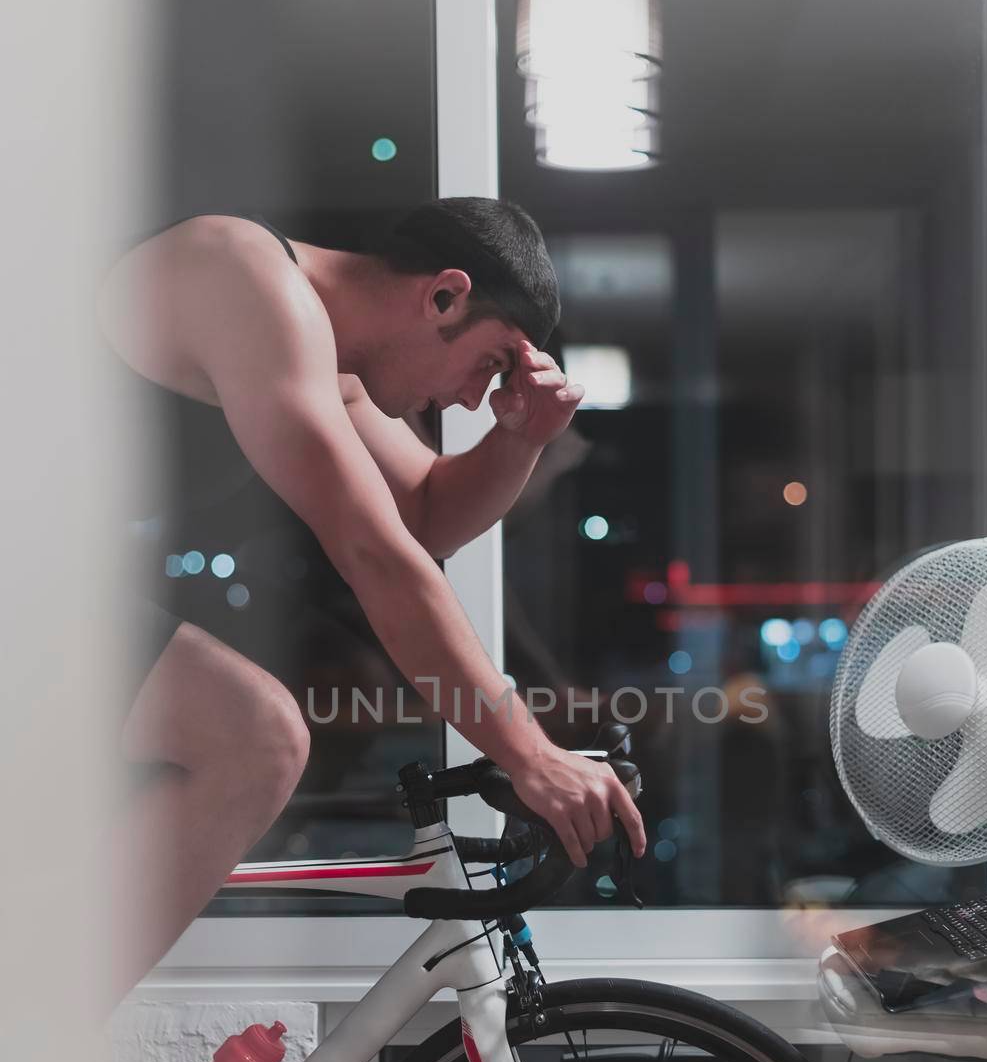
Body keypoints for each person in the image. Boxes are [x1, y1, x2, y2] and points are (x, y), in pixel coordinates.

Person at [99, 197, 646, 1000]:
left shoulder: (329, 366)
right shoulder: (242, 274)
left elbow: (423, 516)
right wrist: (527, 754)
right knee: (254, 736)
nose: (469, 401)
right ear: (443, 296)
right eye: (488, 365)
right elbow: (374, 553)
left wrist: (520, 438)